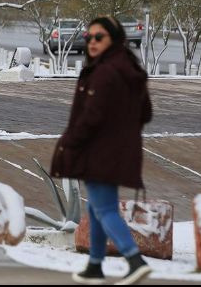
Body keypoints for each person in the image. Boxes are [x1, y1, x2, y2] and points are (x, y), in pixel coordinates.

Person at [50, 16, 153, 285]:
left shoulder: (105, 71)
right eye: (88, 37)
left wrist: (70, 141)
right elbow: (146, 112)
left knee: (105, 209)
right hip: (119, 151)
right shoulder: (128, 67)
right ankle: (95, 265)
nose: (92, 42)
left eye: (99, 37)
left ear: (113, 40)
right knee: (97, 208)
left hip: (99, 152)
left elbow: (92, 116)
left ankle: (134, 260)